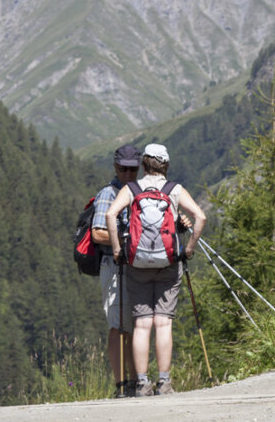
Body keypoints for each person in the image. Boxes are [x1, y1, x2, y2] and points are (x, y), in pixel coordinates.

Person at [105, 143, 206, 397]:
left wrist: (118, 249)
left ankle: (141, 383)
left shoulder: (132, 189)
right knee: (163, 324)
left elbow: (110, 215)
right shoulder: (175, 190)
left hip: (137, 264)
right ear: (166, 166)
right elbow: (201, 217)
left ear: (144, 165)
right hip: (169, 264)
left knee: (141, 325)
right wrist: (189, 249)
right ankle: (164, 383)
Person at [91, 144, 141, 398]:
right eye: (124, 170)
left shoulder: (140, 193)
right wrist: (123, 237)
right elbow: (97, 232)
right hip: (113, 266)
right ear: (115, 167)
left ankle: (136, 381)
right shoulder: (108, 195)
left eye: (133, 170)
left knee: (135, 325)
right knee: (117, 325)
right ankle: (121, 384)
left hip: (137, 267)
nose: (129, 175)